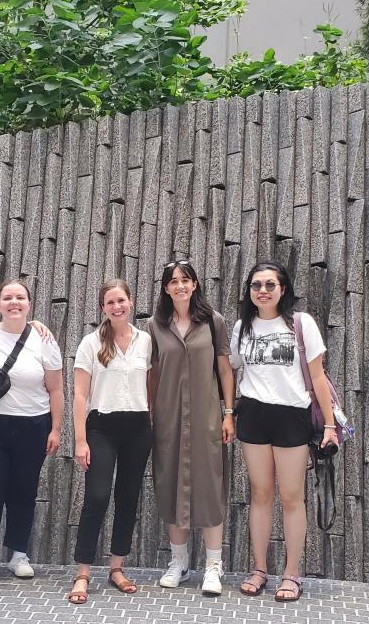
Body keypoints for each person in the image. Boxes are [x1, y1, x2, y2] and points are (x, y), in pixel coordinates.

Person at [230, 261, 339, 603]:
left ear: (283, 289)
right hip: (253, 414)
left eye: (269, 284)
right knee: (260, 494)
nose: (262, 290)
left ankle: (291, 574)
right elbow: (233, 369)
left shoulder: (300, 323)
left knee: (292, 497)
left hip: (292, 415)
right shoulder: (241, 327)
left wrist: (331, 425)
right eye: (256, 285)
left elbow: (317, 376)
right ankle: (259, 569)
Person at [146, 259, 236, 595]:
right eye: (173, 281)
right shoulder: (156, 325)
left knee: (210, 487)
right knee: (170, 485)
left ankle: (213, 567)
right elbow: (152, 373)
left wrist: (229, 413)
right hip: (168, 419)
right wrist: (149, 412)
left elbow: (225, 371)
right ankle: (179, 562)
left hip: (207, 417)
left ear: (195, 284)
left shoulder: (214, 322)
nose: (180, 286)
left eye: (185, 280)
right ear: (166, 288)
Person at [0, 278, 64, 583]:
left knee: (23, 490)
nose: (14, 303)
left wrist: (56, 429)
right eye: (7, 297)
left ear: (29, 304)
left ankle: (19, 553)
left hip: (32, 424)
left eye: (20, 298)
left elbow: (56, 388)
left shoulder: (44, 340)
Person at [67, 279, 154, 605]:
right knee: (97, 496)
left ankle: (117, 568)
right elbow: (79, 394)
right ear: (103, 308)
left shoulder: (145, 341)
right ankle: (83, 573)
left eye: (121, 301)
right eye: (110, 303)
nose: (117, 307)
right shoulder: (91, 343)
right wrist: (80, 440)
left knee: (128, 498)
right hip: (101, 427)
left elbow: (151, 385)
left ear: (130, 302)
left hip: (137, 427)